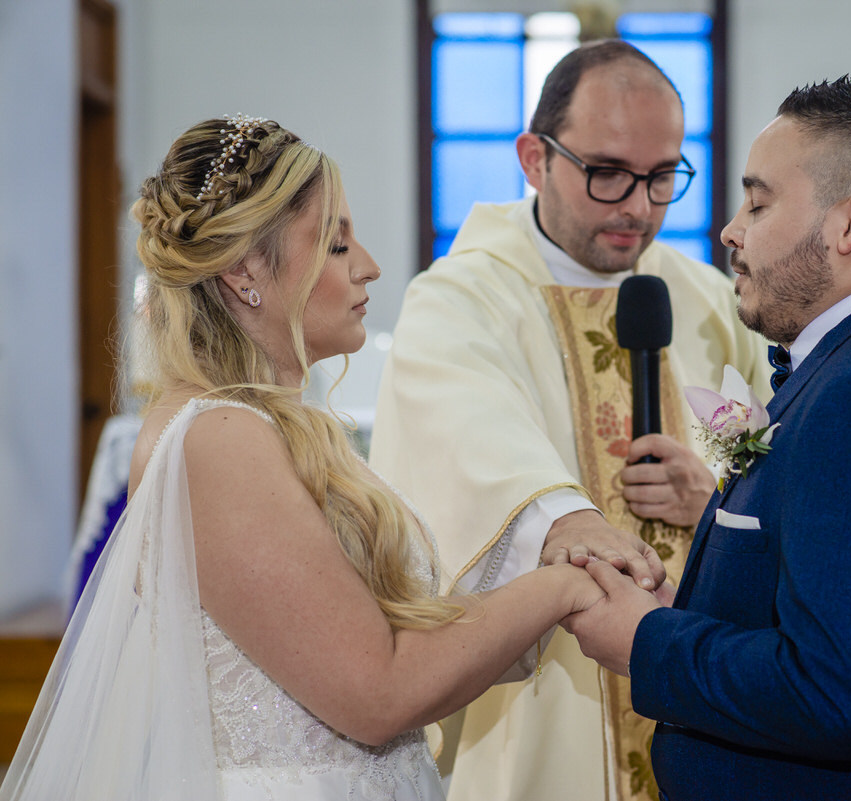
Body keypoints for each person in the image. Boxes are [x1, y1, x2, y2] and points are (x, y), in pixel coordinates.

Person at [0, 115, 604, 801]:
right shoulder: (218, 437)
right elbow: (377, 690)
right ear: (245, 271)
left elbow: (364, 648)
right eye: (338, 243)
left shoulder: (253, 425)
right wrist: (562, 588)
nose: (370, 265)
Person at [566, 75, 851, 800]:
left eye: (758, 201)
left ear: (850, 224)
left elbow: (839, 696)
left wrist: (645, 640)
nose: (731, 230)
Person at [368, 40, 768, 801]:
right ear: (533, 158)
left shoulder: (706, 299)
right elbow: (465, 435)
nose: (638, 207)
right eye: (607, 173)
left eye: (662, 178)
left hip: (698, 679)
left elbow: (772, 450)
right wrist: (564, 522)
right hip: (548, 690)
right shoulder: (463, 297)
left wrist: (714, 493)